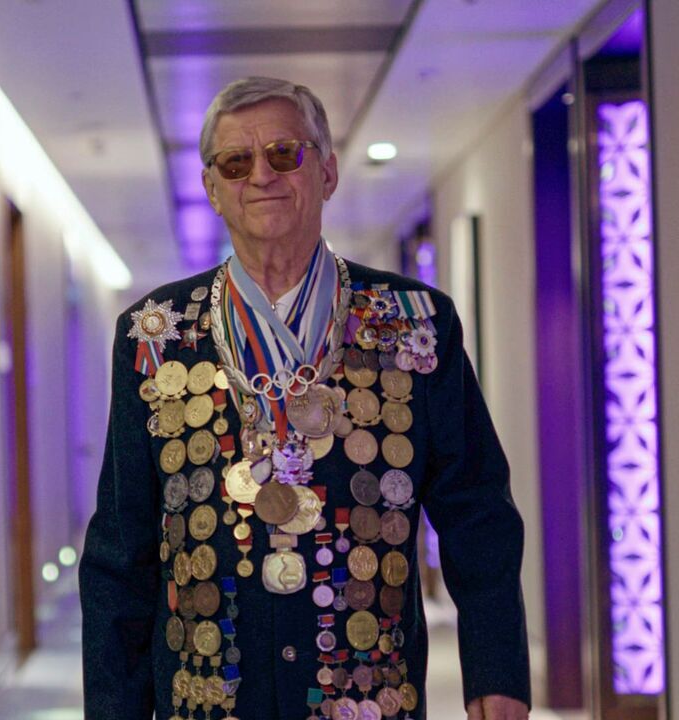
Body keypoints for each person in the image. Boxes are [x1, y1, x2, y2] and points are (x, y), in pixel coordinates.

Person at [80, 76, 531, 720]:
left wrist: (496, 669)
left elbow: (477, 510)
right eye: (236, 162)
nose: (261, 175)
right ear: (212, 189)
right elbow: (120, 554)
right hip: (207, 699)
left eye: (284, 153)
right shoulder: (155, 335)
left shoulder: (415, 322)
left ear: (328, 172)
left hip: (368, 697)